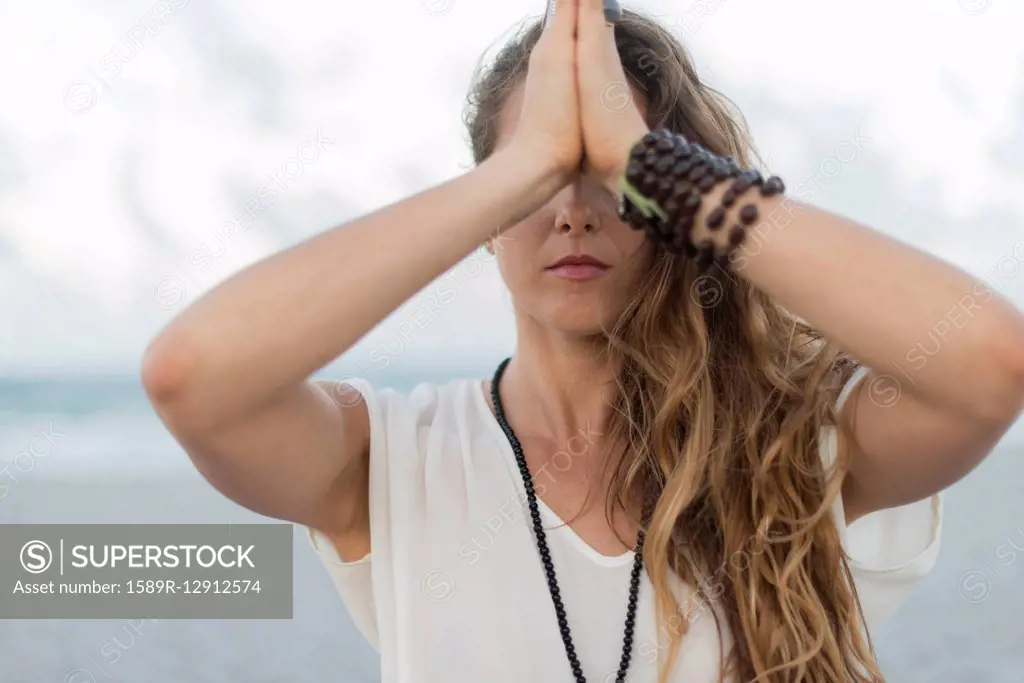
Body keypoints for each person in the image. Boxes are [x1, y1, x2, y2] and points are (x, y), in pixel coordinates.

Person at [140, 1, 1024, 681]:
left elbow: (990, 359)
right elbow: (194, 375)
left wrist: (648, 160)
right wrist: (522, 167)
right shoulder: (396, 459)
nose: (571, 212)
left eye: (606, 179)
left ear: (675, 208)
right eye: (537, 176)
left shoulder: (798, 440)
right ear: (484, 211)